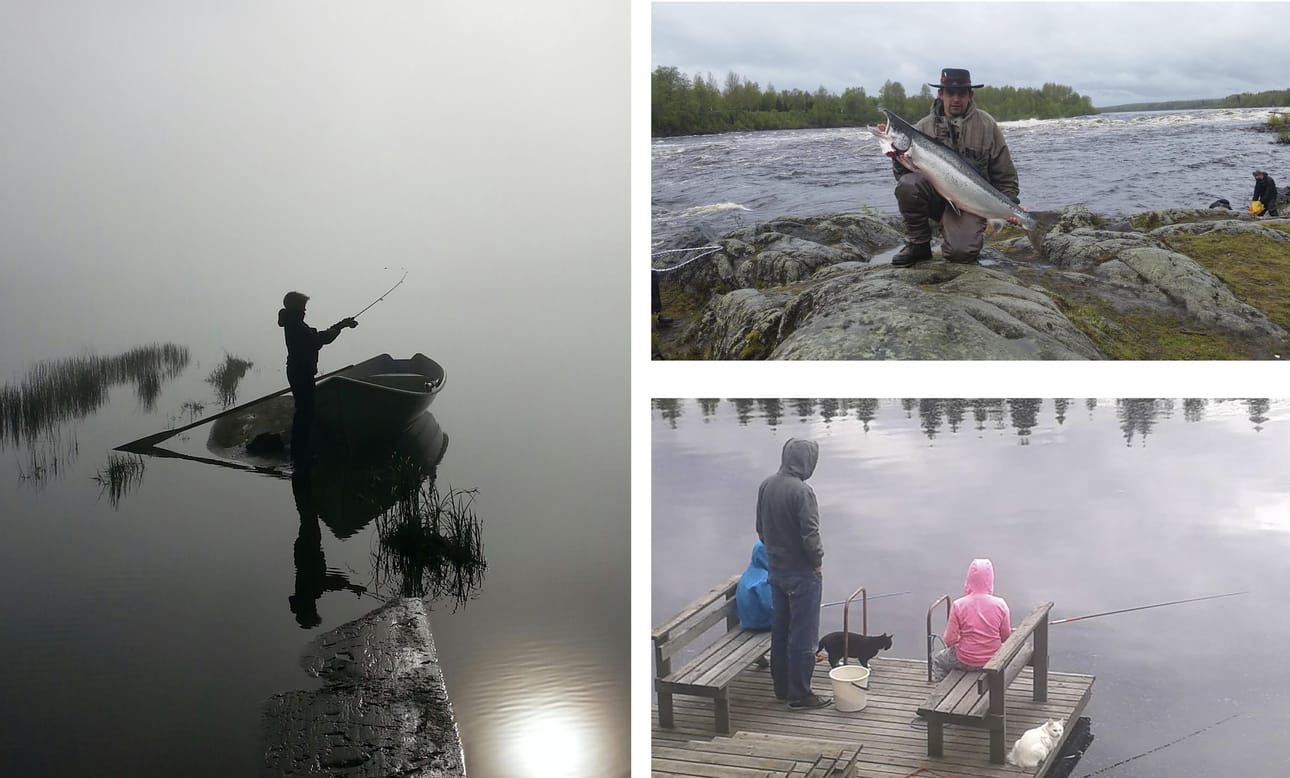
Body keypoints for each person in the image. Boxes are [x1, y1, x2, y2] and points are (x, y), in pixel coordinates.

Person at [891, 68, 1023, 267]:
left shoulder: (987, 126)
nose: (956, 99)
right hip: (935, 198)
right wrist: (896, 156)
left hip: (970, 202)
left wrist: (1009, 206)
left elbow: (1005, 176)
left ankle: (957, 233)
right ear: (940, 94)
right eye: (950, 93)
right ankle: (919, 245)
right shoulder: (922, 128)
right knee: (908, 185)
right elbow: (902, 177)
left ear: (970, 95)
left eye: (961, 93)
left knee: (960, 255)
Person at [756, 438, 830, 710]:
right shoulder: (803, 492)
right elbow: (810, 535)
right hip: (802, 574)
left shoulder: (766, 485)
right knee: (804, 635)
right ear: (807, 460)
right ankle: (800, 694)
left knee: (781, 631)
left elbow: (761, 530)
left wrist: (776, 554)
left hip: (776, 571)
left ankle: (782, 688)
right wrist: (817, 561)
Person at [277, 291, 357, 462]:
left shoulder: (294, 323)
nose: (305, 311)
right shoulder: (295, 325)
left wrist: (339, 326)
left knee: (304, 411)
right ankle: (299, 452)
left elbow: (316, 337)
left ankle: (299, 448)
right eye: (303, 308)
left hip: (298, 371)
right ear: (296, 308)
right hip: (301, 372)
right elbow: (317, 340)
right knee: (305, 412)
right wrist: (340, 327)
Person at [930, 558, 1012, 683]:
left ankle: (943, 690)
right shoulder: (1001, 604)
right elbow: (1005, 636)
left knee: (938, 660)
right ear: (990, 580)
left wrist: (959, 642)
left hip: (965, 659)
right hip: (992, 659)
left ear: (969, 580)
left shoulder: (959, 605)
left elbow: (949, 640)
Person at [736, 540, 774, 667]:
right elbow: (770, 606)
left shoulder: (750, 571)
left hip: (746, 621)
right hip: (761, 623)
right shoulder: (765, 579)